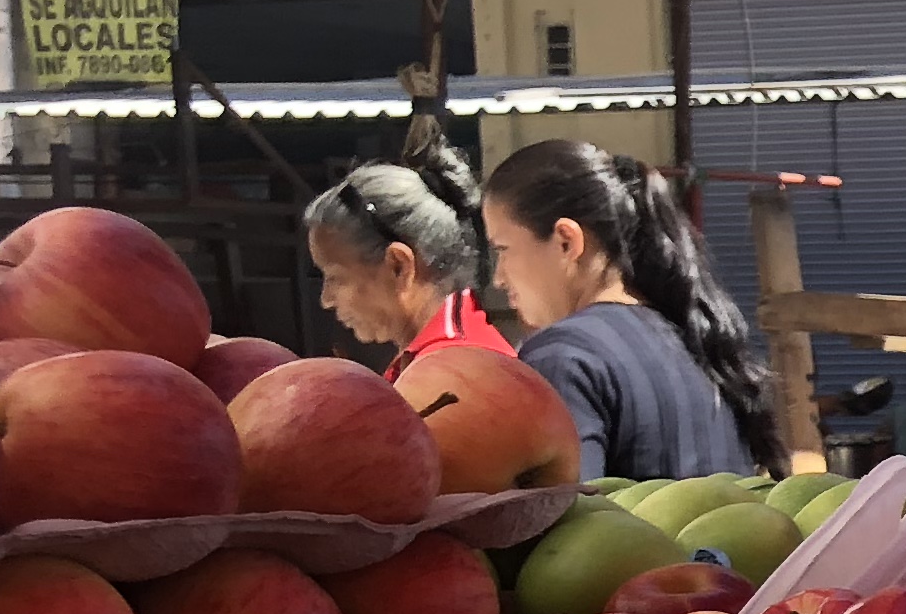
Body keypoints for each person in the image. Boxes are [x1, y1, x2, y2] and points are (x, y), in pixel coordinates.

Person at [480, 138, 767, 481]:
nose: (498, 278)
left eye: (503, 249)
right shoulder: (691, 337)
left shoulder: (563, 356)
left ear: (566, 242)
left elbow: (561, 515)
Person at [304, 142, 512, 364]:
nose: (326, 300)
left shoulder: (453, 370)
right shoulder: (443, 356)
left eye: (336, 277)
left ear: (399, 266)